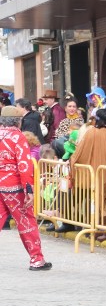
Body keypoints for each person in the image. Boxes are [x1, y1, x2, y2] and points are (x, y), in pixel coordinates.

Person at [0, 106, 51, 270]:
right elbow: (24, 165)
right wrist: (29, 189)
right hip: (14, 187)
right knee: (26, 223)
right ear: (18, 121)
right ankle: (37, 259)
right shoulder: (18, 137)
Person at [68, 108, 106, 231]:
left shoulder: (91, 132)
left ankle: (102, 229)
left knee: (98, 201)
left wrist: (71, 162)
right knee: (105, 201)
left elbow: (79, 153)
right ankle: (105, 229)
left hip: (93, 173)